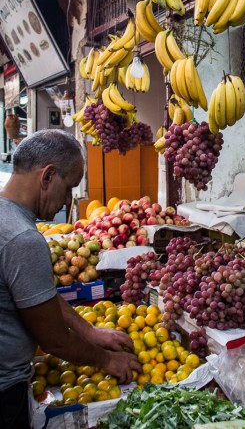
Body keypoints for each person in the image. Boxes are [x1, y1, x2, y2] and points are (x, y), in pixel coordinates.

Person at [0, 129, 141, 428]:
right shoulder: (22, 239)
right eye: (68, 189)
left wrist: (89, 331)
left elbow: (38, 296)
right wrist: (107, 360)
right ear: (47, 176)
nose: (67, 202)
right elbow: (54, 340)